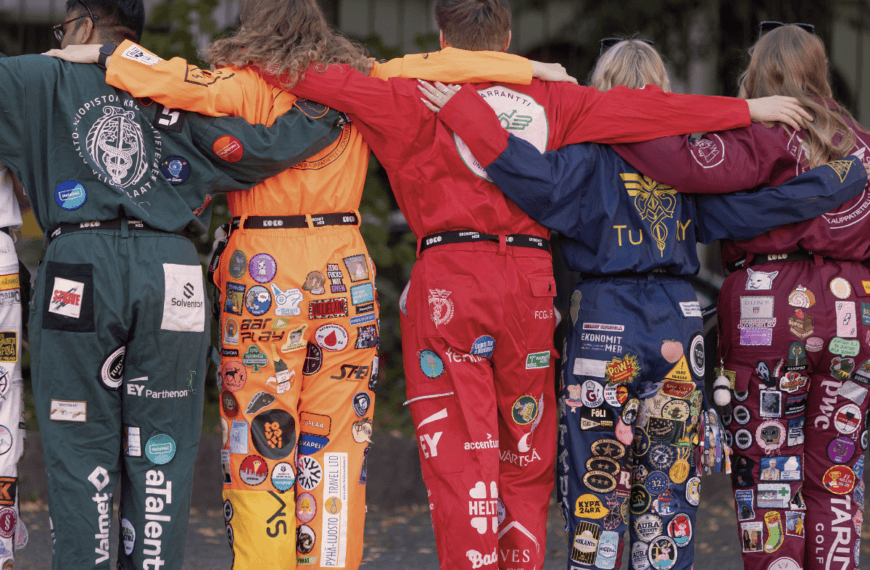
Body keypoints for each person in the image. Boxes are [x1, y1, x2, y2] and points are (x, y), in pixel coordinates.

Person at [71, 1, 826, 567]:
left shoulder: (403, 90)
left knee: (460, 452)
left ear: (440, 33)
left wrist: (112, 56)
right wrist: (747, 108)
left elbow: (296, 72)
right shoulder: (554, 100)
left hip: (447, 282)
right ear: (507, 33)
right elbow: (646, 114)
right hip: (528, 282)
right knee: (526, 448)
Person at [45, 1, 573, 567]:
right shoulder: (361, 80)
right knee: (341, 443)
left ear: (253, 27)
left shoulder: (242, 83)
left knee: (260, 441)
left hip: (265, 275)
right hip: (346, 275)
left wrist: (100, 53)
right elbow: (436, 66)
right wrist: (528, 69)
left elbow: (172, 78)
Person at [418, 37, 868, 570]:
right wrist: (836, 181)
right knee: (669, 490)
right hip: (678, 325)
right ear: (664, 90)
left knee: (597, 485)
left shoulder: (582, 158)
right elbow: (751, 213)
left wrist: (466, 115)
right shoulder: (685, 166)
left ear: (600, 88)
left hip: (603, 320)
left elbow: (526, 175)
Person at [0, 1, 353, 568]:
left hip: (79, 270)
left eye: (62, 29)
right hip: (173, 273)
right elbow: (257, 149)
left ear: (84, 24)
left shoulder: (37, 76)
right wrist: (330, 112)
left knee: (79, 446)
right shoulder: (175, 86)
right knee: (161, 450)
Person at [597, 25, 870, 570]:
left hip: (770, 310)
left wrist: (612, 111)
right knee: (838, 473)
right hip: (854, 309)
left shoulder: (758, 135)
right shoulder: (861, 143)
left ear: (756, 74)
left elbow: (670, 158)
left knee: (770, 474)